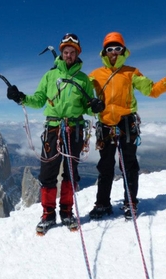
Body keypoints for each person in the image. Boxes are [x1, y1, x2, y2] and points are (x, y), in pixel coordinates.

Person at [6, 33, 105, 234]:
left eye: (72, 52)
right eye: (66, 52)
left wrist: (95, 106)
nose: (68, 55)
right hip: (53, 129)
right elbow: (39, 99)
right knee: (47, 172)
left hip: (75, 129)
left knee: (70, 172)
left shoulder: (84, 79)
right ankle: (48, 215)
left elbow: (88, 107)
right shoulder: (50, 76)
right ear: (61, 53)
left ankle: (67, 213)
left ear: (77, 54)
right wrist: (21, 98)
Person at [88, 32, 166, 219]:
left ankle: (130, 203)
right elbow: (83, 100)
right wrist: (92, 107)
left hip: (126, 123)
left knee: (129, 165)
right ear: (104, 52)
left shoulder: (132, 73)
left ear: (123, 50)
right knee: (105, 166)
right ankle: (102, 203)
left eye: (118, 48)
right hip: (106, 124)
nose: (114, 52)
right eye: (110, 49)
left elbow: (152, 90)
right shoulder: (95, 76)